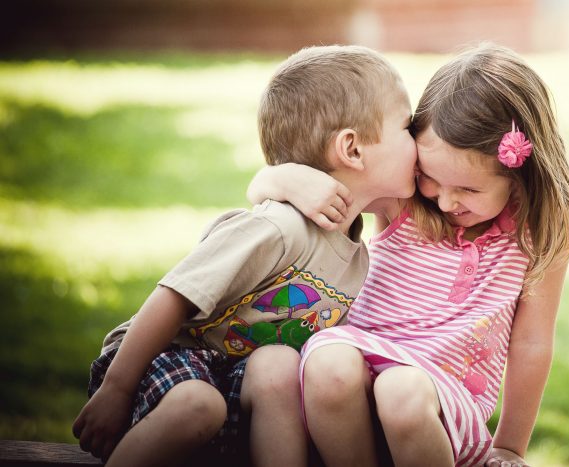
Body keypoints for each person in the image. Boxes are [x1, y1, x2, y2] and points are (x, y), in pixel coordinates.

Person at [72, 44, 417, 467]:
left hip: (235, 377)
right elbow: (175, 293)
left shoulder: (357, 255)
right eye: (406, 125)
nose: (417, 137)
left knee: (279, 365)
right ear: (353, 149)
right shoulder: (279, 227)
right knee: (201, 405)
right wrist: (117, 389)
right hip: (161, 358)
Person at [248, 43, 569, 467]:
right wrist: (277, 178)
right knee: (328, 361)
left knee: (400, 390)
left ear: (518, 177)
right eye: (431, 178)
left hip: (444, 396)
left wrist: (510, 446)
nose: (444, 201)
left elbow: (533, 343)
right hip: (359, 367)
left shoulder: (537, 236)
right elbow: (284, 191)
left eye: (468, 189)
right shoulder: (401, 201)